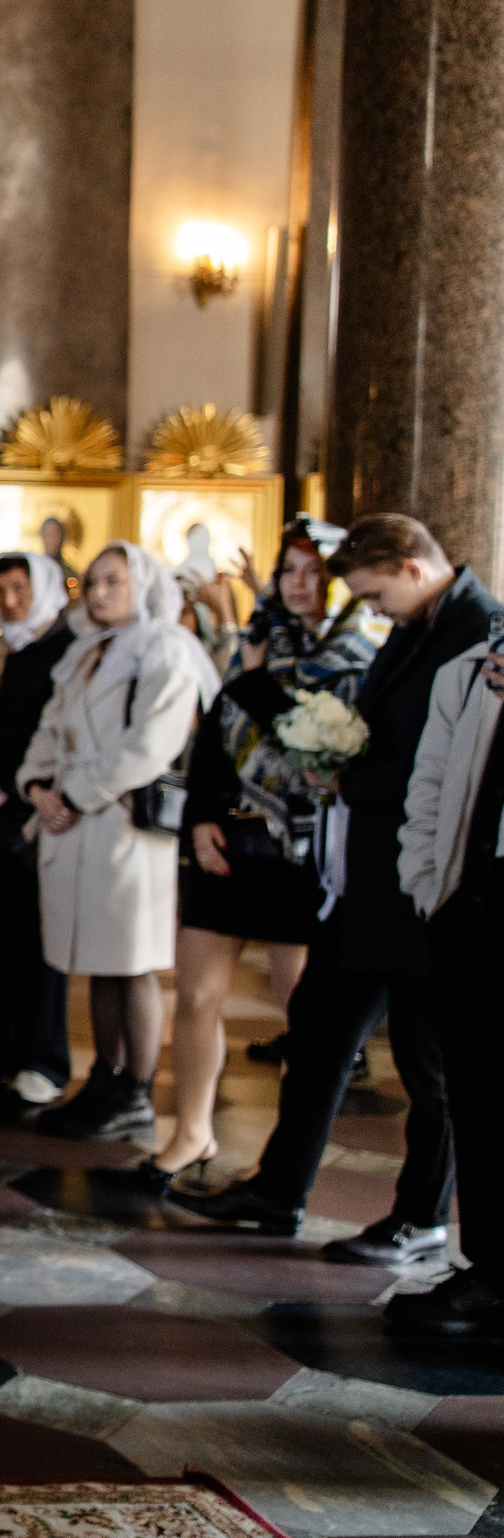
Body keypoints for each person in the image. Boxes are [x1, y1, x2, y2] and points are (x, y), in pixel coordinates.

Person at [175, 514, 498, 1265]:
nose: (372, 609)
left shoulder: (479, 626)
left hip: (423, 891)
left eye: (374, 592)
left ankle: (422, 1217)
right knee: (316, 1029)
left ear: (411, 566)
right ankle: (278, 1190)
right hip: (368, 886)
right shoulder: (423, 622)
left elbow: (454, 764)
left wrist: (349, 776)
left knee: (431, 1068)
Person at [150, 521, 376, 1189]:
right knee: (194, 993)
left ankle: (276, 1156)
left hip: (302, 850)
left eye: (315, 571)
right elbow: (217, 732)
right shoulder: (257, 637)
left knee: (298, 1013)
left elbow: (327, 742)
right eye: (290, 571)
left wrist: (256, 683)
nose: (300, 585)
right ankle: (190, 1131)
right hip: (231, 836)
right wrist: (201, 818)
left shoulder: (362, 653)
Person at [17, 542, 217, 1141]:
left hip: (124, 826)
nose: (98, 592)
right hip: (73, 822)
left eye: (113, 581)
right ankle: (104, 1075)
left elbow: (151, 743)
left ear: (144, 585)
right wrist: (36, 787)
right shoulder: (83, 651)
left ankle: (137, 1090)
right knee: (96, 962)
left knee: (132, 963)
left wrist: (75, 795)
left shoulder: (167, 649)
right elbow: (50, 727)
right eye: (93, 582)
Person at [395, 630, 504, 1332]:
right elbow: (431, 778)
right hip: (469, 896)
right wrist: (426, 882)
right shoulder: (471, 667)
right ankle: (490, 1265)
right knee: (477, 1088)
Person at [0, 552, 76, 1103]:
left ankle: (43, 1059)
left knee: (39, 938)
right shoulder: (7, 649)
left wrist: (4, 783)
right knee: (1, 932)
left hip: (43, 807)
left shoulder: (64, 650)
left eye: (19, 588)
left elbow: (47, 734)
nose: (9, 601)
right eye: (0, 591)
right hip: (3, 805)